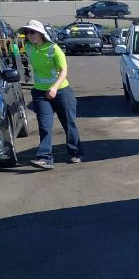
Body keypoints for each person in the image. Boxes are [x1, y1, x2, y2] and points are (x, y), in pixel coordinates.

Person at [18, 20, 83, 170]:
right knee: (45, 125)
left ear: (41, 34)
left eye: (33, 32)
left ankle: (76, 152)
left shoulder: (54, 49)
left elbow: (63, 71)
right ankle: (45, 158)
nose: (30, 35)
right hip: (40, 92)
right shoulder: (28, 47)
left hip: (61, 91)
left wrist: (54, 88)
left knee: (69, 123)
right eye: (27, 33)